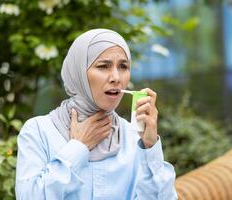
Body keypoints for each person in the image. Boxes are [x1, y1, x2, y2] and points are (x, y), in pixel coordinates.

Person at [15, 29, 178, 200]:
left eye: (123, 66)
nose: (116, 77)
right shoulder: (39, 131)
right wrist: (78, 148)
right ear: (79, 73)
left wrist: (150, 147)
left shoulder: (134, 137)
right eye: (103, 66)